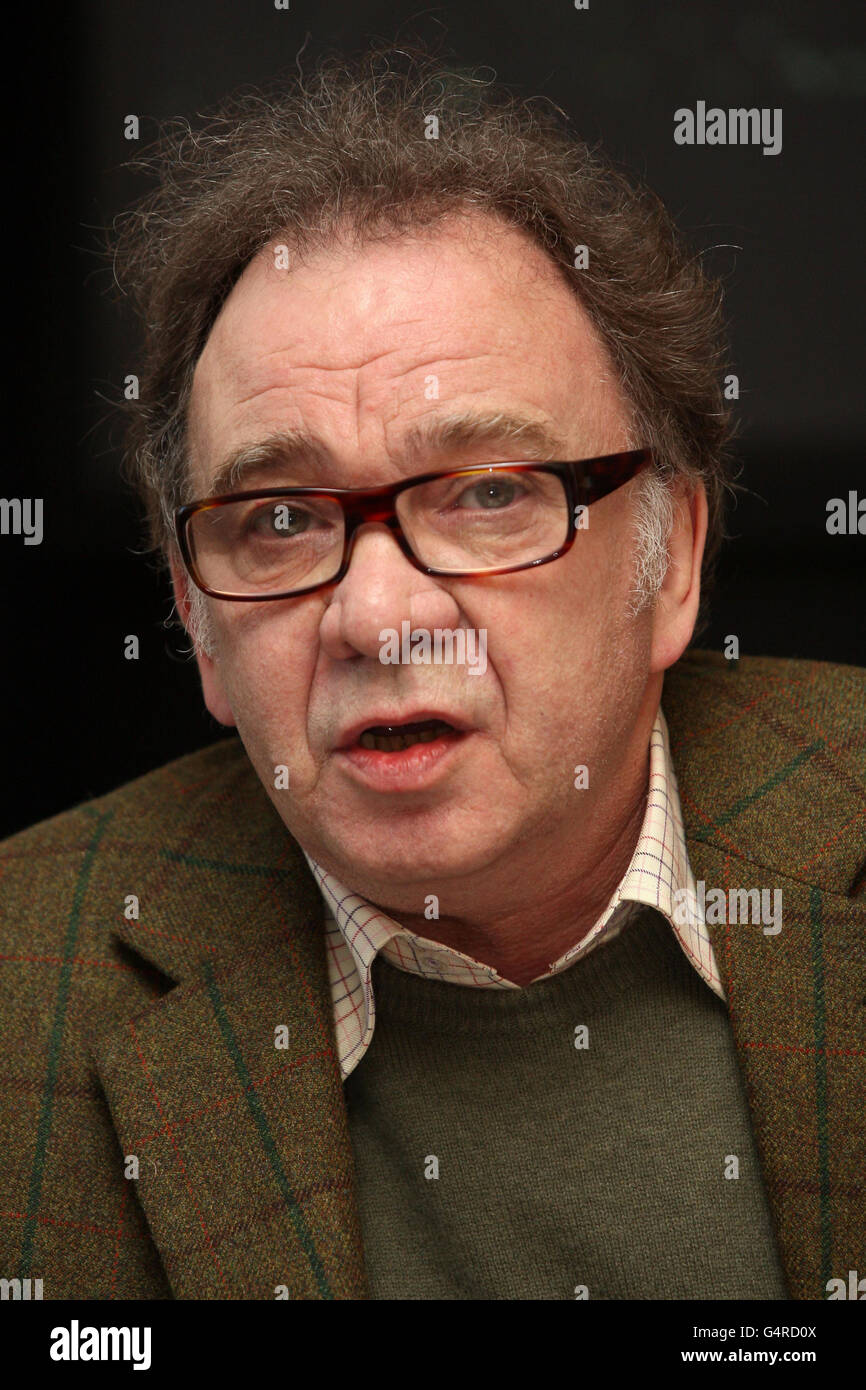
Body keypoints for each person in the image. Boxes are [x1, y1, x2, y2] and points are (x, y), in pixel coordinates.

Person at [1, 45, 863, 1302]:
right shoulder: (21, 981)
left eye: (487, 494)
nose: (378, 617)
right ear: (194, 616)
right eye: (279, 520)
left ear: (670, 556)